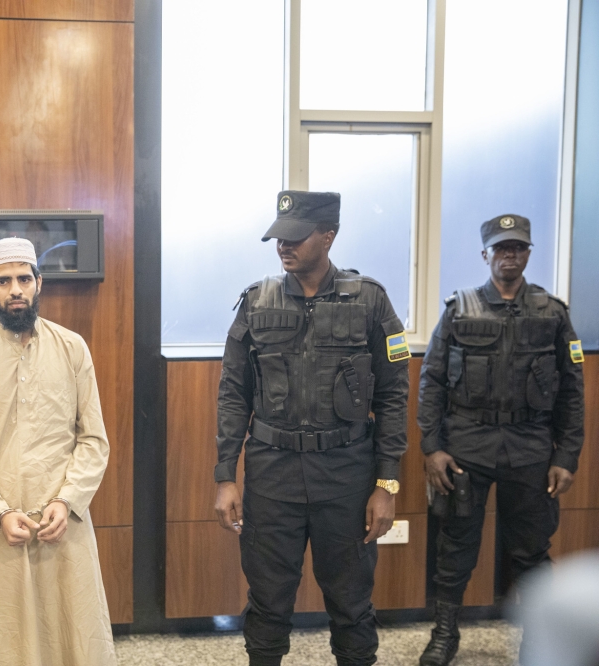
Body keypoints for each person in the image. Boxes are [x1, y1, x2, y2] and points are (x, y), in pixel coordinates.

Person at [214, 190, 410, 666]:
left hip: (345, 475)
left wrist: (387, 483)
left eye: (296, 238)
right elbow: (232, 393)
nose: (284, 247)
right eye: (279, 238)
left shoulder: (370, 301)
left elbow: (393, 397)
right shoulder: (255, 302)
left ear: (329, 235)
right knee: (267, 603)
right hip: (272, 475)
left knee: (351, 605)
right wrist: (225, 475)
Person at [417, 214, 584, 666]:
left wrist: (566, 456)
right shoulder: (459, 308)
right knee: (455, 546)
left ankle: (537, 639)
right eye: (501, 248)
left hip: (530, 446)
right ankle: (444, 634)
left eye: (518, 248)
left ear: (528, 253)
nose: (510, 255)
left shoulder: (552, 312)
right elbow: (431, 381)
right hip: (467, 444)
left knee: (531, 550)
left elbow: (572, 389)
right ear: (485, 253)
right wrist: (432, 447)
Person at [0, 237, 116, 666]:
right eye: (4, 280)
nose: (15, 289)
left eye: (24, 278)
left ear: (40, 283)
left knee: (73, 636)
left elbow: (93, 439)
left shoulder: (73, 348)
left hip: (64, 522)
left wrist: (67, 499)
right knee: (3, 642)